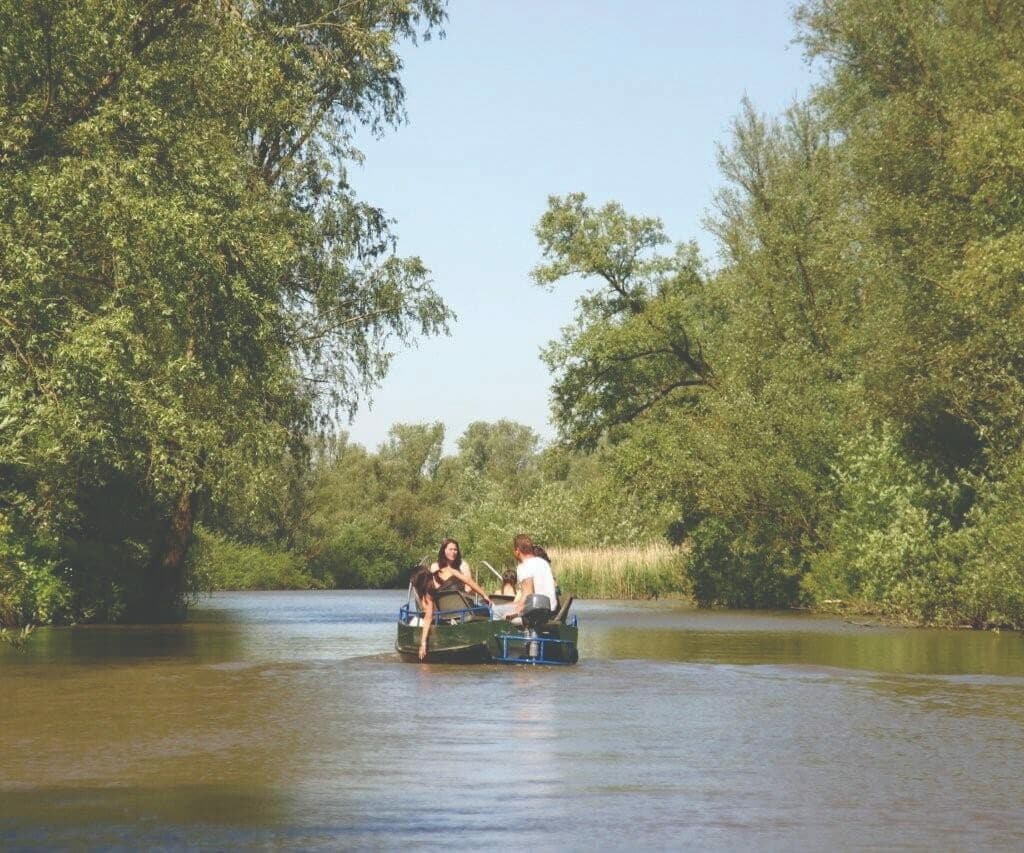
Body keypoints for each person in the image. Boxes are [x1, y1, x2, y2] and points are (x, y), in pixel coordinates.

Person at [411, 555, 493, 661]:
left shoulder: (428, 591)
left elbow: (428, 616)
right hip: (465, 612)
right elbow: (469, 581)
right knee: (489, 610)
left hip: (449, 615)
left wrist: (423, 642)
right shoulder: (443, 574)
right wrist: (484, 595)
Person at [509, 533, 557, 618]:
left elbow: (528, 594)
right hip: (552, 611)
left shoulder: (524, 566)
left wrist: (510, 613)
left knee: (497, 612)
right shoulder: (543, 563)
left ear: (517, 551)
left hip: (536, 615)